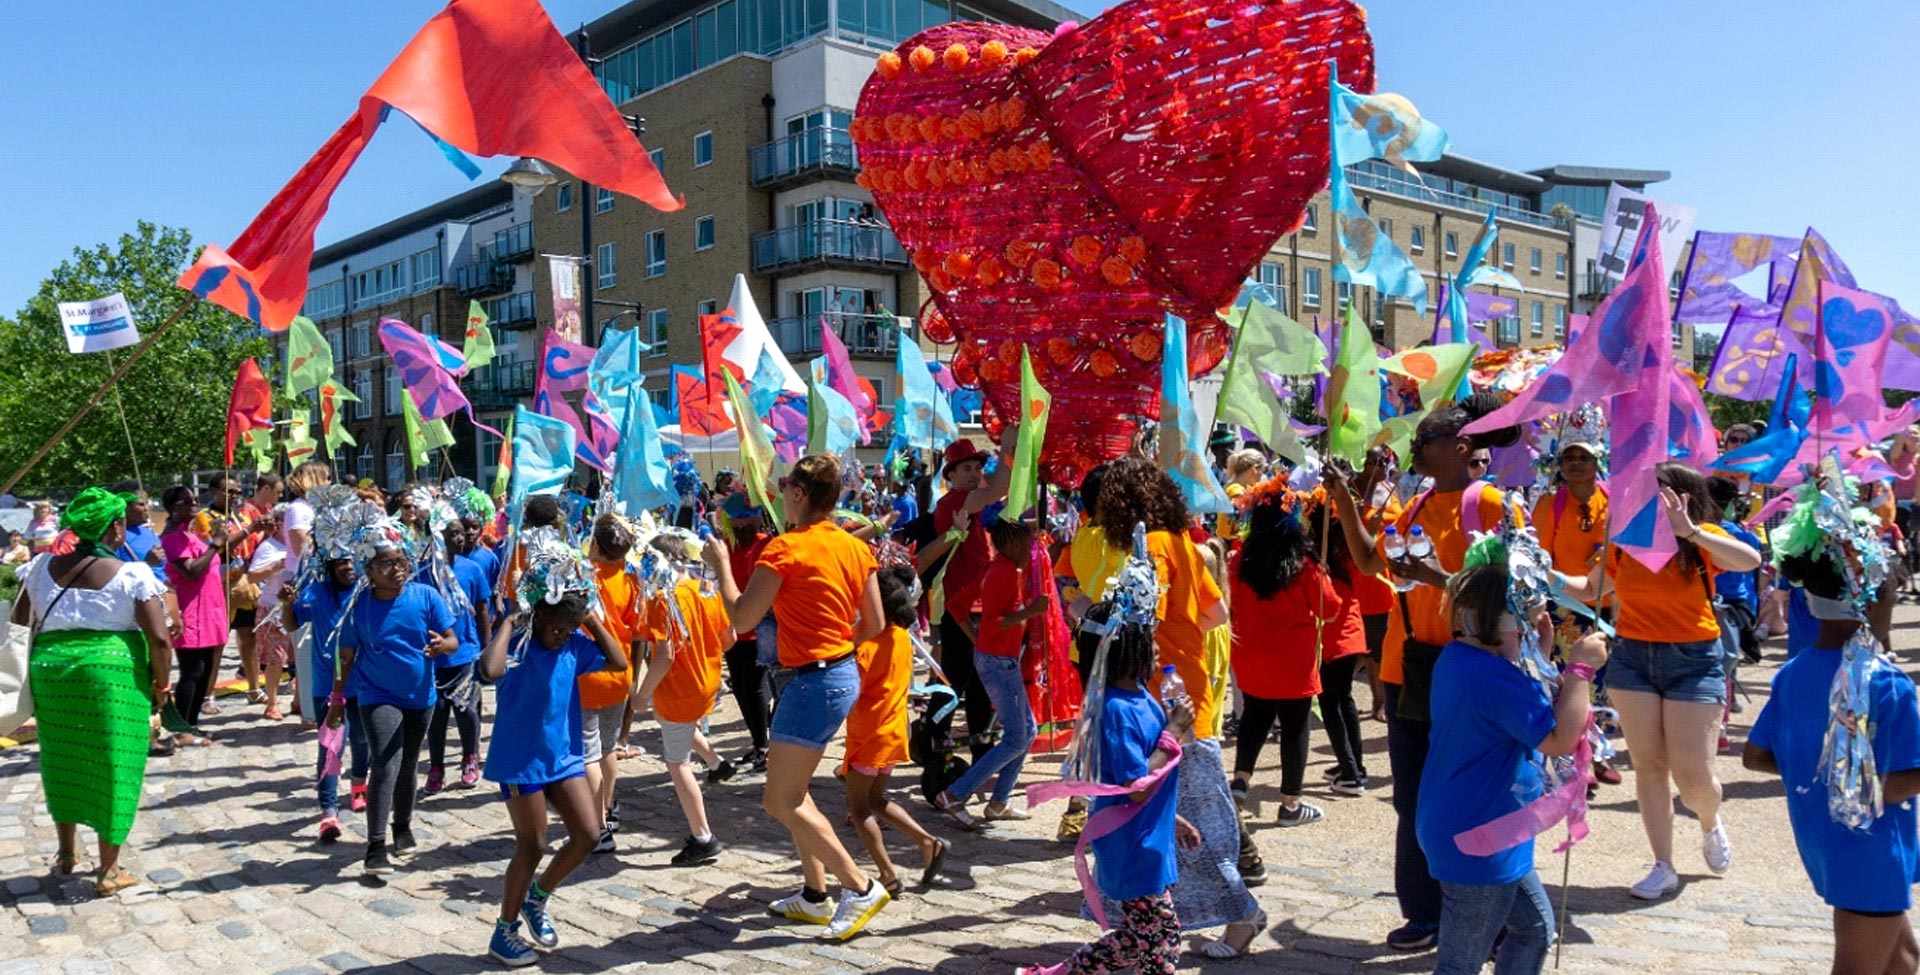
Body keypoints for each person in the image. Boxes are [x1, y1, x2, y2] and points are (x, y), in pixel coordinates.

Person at [703, 453, 891, 941]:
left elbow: (741, 620)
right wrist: (830, 641)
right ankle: (814, 894)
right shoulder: (852, 547)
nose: (781, 497)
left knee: (780, 800)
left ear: (801, 494)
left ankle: (860, 885)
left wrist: (722, 564)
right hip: (838, 672)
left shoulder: (785, 550)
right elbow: (874, 624)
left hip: (813, 682)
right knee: (795, 791)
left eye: (785, 489)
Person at [1558, 463, 1761, 900]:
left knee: (1695, 777)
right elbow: (1592, 587)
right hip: (1633, 657)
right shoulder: (1624, 542)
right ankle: (1662, 864)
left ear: (1682, 497)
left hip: (1695, 660)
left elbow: (1750, 560)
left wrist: (1690, 532)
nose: (1641, 503)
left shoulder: (1701, 536)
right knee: (1649, 766)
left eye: (1655, 495)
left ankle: (1709, 821)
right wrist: (1544, 574)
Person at [1089, 458, 1256, 959]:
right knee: (1186, 825)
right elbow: (1216, 614)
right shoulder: (1183, 542)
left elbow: (1141, 623)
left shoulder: (1153, 547)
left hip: (1164, 710)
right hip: (1188, 698)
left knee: (1195, 830)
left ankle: (1244, 917)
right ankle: (1149, 930)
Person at [1418, 562, 1609, 975]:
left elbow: (1516, 698)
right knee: (1459, 966)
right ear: (1509, 626)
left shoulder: (1458, 658)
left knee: (1534, 929)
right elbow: (1557, 738)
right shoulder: (1496, 679)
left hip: (1480, 828)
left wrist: (1537, 653)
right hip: (1481, 838)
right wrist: (1580, 671)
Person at [1380, 397, 1522, 952]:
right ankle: (1423, 911)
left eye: (1424, 442)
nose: (1414, 450)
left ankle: (1492, 918)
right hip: (1408, 666)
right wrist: (1346, 498)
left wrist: (1437, 577)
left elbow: (1508, 587)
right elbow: (1376, 563)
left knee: (1474, 794)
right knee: (1412, 798)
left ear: (1461, 448)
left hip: (1470, 671)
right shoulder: (1411, 506)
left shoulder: (1489, 503)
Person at [1746, 533, 1920, 974]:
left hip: (1826, 840)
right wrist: (1849, 784)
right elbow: (1903, 779)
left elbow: (1755, 755)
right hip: (1872, 849)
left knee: (1902, 960)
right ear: (1873, 601)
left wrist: (1816, 774)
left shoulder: (1793, 672)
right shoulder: (1886, 682)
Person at [1014, 619, 1201, 975]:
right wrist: (1174, 730)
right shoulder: (1116, 709)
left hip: (1148, 835)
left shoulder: (1142, 694)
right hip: (1132, 843)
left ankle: (1068, 972)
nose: (1157, 647)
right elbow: (1137, 786)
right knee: (1162, 939)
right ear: (1125, 653)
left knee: (1141, 938)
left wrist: (1171, 818)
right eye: (1148, 641)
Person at [11, 488, 172, 896]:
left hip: (53, 676)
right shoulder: (130, 574)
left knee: (62, 757)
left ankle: (66, 854)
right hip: (111, 678)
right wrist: (162, 684)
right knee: (115, 765)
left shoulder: (39, 566)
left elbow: (18, 623)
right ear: (115, 527)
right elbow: (159, 638)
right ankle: (109, 870)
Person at [478, 550, 630, 967]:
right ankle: (503, 931)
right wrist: (510, 619)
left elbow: (619, 662)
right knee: (533, 844)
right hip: (520, 761)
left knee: (588, 834)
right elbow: (489, 671)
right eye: (556, 626)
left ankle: (537, 898)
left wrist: (590, 618)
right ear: (538, 618)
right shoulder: (519, 647)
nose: (562, 634)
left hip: (563, 759)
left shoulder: (575, 646)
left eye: (569, 627)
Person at [326, 518, 458, 877]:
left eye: (401, 561)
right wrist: (338, 699)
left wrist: (441, 645)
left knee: (409, 762)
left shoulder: (426, 596)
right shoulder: (360, 606)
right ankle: (375, 845)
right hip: (375, 694)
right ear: (369, 569)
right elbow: (347, 655)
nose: (397, 569)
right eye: (386, 563)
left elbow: (452, 639)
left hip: (420, 695)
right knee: (385, 761)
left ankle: (403, 825)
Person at [929, 516, 1045, 826]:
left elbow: (957, 605)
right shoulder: (1003, 573)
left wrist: (977, 638)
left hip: (996, 659)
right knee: (1016, 738)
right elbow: (998, 619)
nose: (1032, 548)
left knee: (1027, 732)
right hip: (998, 664)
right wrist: (1031, 611)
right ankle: (954, 794)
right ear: (1012, 545)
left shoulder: (1001, 568)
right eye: (1027, 542)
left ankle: (998, 802)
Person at [1529, 410, 1621, 787]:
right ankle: (1575, 758)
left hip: (1612, 604)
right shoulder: (1549, 504)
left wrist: (1602, 561)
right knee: (1571, 683)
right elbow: (1537, 556)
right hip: (1566, 607)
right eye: (1569, 457)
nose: (1576, 464)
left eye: (1584, 457)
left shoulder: (1616, 501)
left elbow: (1623, 550)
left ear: (1597, 461)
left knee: (1605, 684)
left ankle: (1601, 754)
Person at [633, 531, 736, 867]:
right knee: (679, 725)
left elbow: (663, 655)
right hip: (708, 681)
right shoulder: (703, 588)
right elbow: (729, 636)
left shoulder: (664, 598)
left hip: (681, 689)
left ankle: (703, 837)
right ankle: (717, 764)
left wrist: (642, 694)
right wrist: (704, 655)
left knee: (677, 764)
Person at [845, 565, 949, 895]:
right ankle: (927, 842)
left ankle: (888, 874)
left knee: (859, 809)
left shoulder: (867, 645)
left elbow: (850, 689)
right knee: (877, 800)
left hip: (869, 735)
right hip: (892, 734)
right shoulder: (904, 639)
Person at [919, 438, 1012, 759]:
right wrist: (1012, 447)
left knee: (980, 685)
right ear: (951, 475)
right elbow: (999, 487)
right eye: (967, 468)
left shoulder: (979, 505)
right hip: (960, 606)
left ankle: (979, 752)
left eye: (977, 467)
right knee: (954, 683)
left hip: (982, 605)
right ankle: (933, 743)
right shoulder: (954, 502)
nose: (974, 473)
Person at [286, 551, 366, 844]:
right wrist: (286, 603)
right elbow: (292, 624)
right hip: (326, 686)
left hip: (364, 683)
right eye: (341, 562)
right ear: (329, 567)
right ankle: (329, 811)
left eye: (351, 560)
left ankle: (359, 786)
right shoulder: (315, 593)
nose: (348, 566)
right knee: (330, 747)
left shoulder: (366, 591)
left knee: (361, 741)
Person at [579, 515, 645, 851]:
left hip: (589, 673)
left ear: (598, 547)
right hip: (620, 675)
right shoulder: (631, 579)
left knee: (588, 753)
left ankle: (598, 827)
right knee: (607, 749)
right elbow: (636, 632)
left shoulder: (585, 578)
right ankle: (608, 807)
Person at [425, 516, 492, 795]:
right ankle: (436, 766)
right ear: (437, 536)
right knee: (437, 715)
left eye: (461, 533)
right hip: (433, 656)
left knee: (466, 711)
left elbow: (483, 611)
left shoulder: (472, 569)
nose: (460, 538)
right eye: (452, 534)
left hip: (465, 653)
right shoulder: (423, 572)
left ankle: (470, 758)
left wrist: (485, 650)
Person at [160, 484, 229, 749]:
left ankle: (192, 723)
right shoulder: (172, 538)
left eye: (195, 499)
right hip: (191, 611)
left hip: (209, 609)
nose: (195, 504)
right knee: (192, 671)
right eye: (188, 501)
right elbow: (191, 571)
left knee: (206, 671)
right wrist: (215, 545)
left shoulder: (189, 534)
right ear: (175, 507)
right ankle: (181, 727)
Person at [720, 493, 774, 772]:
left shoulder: (768, 545)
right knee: (741, 689)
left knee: (757, 690)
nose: (741, 526)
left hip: (760, 632)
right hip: (732, 632)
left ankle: (766, 745)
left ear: (756, 519)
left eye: (746, 520)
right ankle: (758, 743)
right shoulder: (727, 547)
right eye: (736, 522)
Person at [246, 507, 293, 719]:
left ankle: (299, 701)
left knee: (298, 657)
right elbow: (252, 576)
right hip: (274, 608)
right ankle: (272, 703)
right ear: (278, 524)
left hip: (298, 607)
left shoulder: (301, 545)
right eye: (288, 522)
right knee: (276, 659)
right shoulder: (268, 547)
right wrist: (276, 566)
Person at [114, 496, 166, 583]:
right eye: (141, 504)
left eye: (147, 503)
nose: (147, 508)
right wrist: (147, 564)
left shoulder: (149, 532)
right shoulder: (117, 537)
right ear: (126, 508)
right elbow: (114, 577)